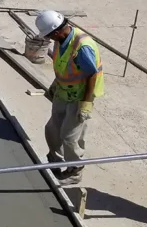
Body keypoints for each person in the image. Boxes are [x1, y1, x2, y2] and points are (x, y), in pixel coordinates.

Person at [35, 10, 104, 185]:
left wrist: (86, 104)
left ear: (56, 31)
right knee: (52, 129)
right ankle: (55, 160)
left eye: (49, 35)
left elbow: (91, 75)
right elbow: (64, 66)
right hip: (63, 91)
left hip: (79, 96)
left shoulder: (82, 47)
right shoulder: (62, 39)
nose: (49, 39)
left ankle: (75, 169)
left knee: (69, 136)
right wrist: (55, 84)